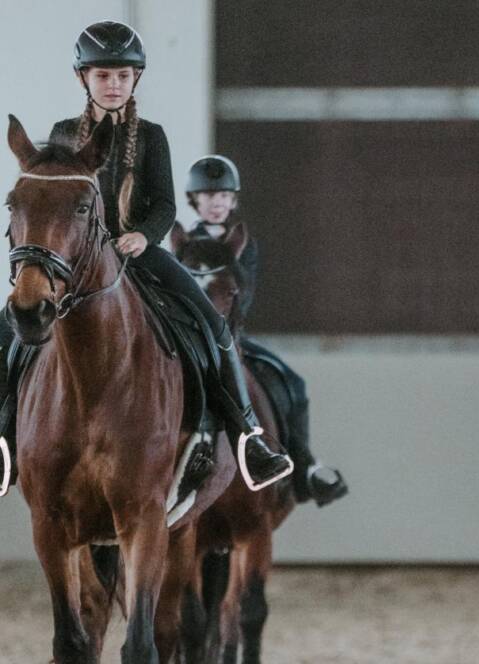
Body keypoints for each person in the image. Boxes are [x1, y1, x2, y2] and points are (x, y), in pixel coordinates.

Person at [35, 20, 292, 491]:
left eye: (123, 75)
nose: (113, 84)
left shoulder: (151, 136)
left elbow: (166, 204)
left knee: (212, 326)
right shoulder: (63, 134)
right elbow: (55, 201)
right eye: (103, 75)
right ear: (82, 78)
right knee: (13, 327)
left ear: (135, 78)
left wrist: (143, 236)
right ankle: (6, 436)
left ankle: (249, 438)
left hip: (138, 254)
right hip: (78, 260)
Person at [179, 154, 348, 506]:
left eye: (224, 196)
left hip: (233, 336)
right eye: (209, 195)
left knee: (293, 383)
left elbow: (246, 293)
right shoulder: (183, 243)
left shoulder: (245, 244)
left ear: (233, 200)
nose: (217, 203)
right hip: (193, 339)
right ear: (195, 200)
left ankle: (304, 467)